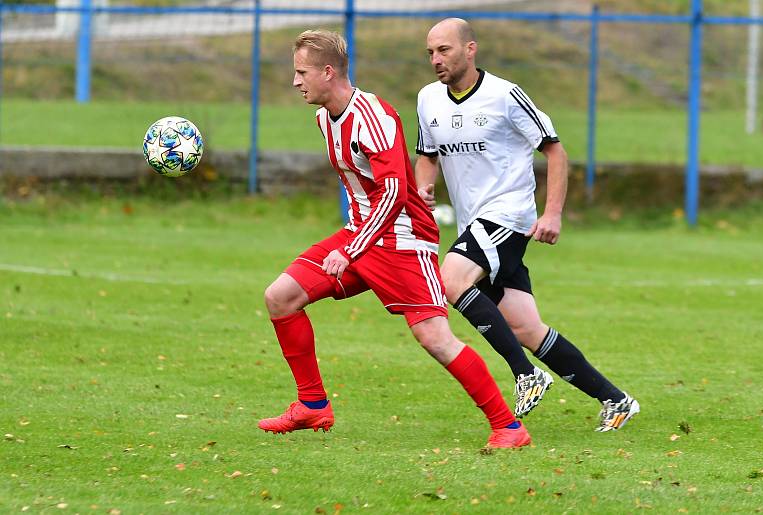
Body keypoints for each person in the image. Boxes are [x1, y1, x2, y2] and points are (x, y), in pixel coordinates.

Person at [258, 29, 531, 448]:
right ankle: (313, 404)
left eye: (302, 72)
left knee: (435, 338)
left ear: (327, 72)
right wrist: (353, 244)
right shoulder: (323, 118)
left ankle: (508, 428)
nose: (296, 81)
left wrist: (350, 250)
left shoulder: (375, 116)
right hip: (362, 235)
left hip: (404, 239)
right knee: (281, 297)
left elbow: (394, 192)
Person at [415, 18, 639, 432]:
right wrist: (423, 190)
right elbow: (427, 155)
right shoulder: (428, 99)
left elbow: (555, 151)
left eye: (443, 50)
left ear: (470, 49)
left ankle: (526, 374)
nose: (435, 59)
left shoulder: (504, 95)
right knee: (524, 327)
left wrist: (551, 213)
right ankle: (616, 400)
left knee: (449, 279)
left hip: (508, 215)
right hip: (473, 222)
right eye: (430, 52)